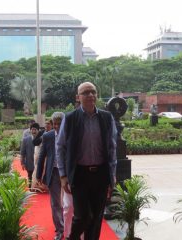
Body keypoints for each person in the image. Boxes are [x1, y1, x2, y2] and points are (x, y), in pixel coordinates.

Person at [57, 82, 117, 240]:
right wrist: (63, 176)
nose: (90, 95)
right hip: (80, 175)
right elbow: (60, 147)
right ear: (78, 97)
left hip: (101, 174)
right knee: (84, 216)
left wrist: (112, 175)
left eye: (93, 92)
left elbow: (112, 148)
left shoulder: (106, 117)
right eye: (85, 93)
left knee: (96, 219)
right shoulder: (70, 118)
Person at [36, 112, 65, 240]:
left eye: (60, 123)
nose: (57, 126)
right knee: (55, 203)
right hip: (53, 172)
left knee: (69, 203)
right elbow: (42, 155)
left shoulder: (70, 135)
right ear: (52, 124)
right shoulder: (47, 136)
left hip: (68, 174)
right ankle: (60, 229)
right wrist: (38, 175)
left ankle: (69, 226)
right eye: (55, 124)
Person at [20, 122, 39, 190]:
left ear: (38, 130)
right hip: (29, 161)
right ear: (30, 130)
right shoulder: (26, 140)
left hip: (38, 162)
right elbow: (22, 152)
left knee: (38, 175)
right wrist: (22, 163)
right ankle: (30, 188)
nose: (33, 131)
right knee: (30, 176)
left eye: (35, 130)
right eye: (32, 129)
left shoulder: (41, 139)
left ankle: (37, 187)